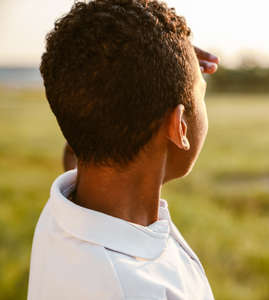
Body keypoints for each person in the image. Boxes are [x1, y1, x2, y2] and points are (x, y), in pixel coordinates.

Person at [27, 0, 219, 299]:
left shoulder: (63, 213)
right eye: (203, 95)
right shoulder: (131, 289)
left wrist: (152, 69)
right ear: (178, 126)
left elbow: (96, 121)